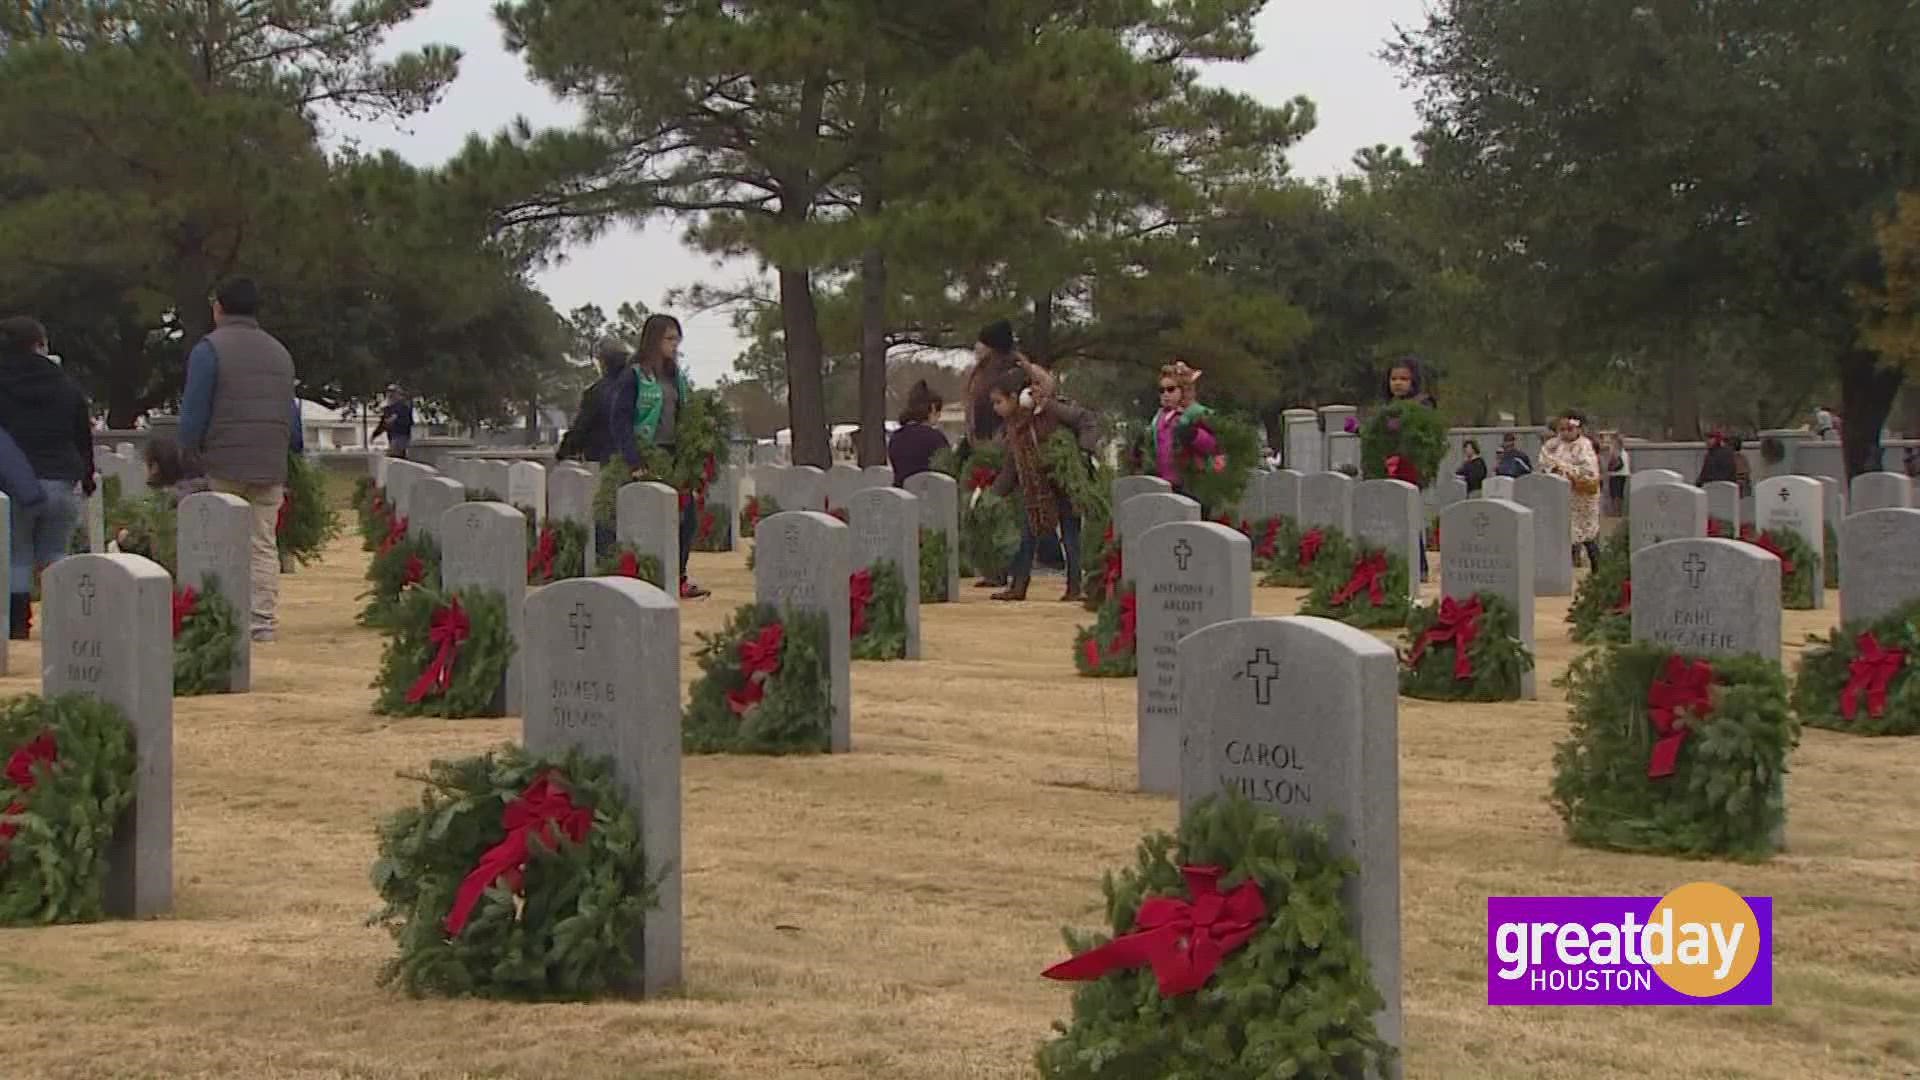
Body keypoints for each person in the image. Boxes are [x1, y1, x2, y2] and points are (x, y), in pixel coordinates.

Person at [178, 278, 302, 643]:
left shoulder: (209, 349)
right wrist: (290, 448)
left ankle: (218, 614)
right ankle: (261, 620)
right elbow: (290, 410)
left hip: (224, 458)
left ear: (219, 308)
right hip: (269, 459)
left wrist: (189, 449)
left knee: (217, 539)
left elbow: (195, 407)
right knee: (262, 542)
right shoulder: (280, 352)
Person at [0, 316, 95, 640]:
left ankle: (17, 624)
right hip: (61, 476)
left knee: (17, 555)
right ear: (40, 344)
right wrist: (87, 474)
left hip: (15, 482)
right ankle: (63, 622)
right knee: (55, 553)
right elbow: (82, 435)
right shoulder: (65, 384)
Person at [609, 313, 709, 600]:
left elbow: (684, 415)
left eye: (677, 339)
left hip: (675, 455)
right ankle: (645, 577)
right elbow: (620, 420)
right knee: (649, 519)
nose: (675, 345)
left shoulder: (675, 376)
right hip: (646, 454)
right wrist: (635, 461)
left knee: (687, 517)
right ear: (653, 340)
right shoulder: (635, 375)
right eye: (669, 339)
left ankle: (678, 576)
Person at [987, 370, 1101, 602]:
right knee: (1027, 535)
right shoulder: (1016, 424)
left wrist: (1083, 453)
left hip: (1063, 484)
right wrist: (993, 494)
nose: (995, 408)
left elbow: (1086, 420)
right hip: (1036, 489)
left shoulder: (1055, 410)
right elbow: (1012, 465)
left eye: (999, 402)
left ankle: (1074, 587)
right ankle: (1019, 585)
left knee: (1070, 535)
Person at [1541, 411, 1603, 570]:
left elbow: (1589, 472)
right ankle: (1563, 568)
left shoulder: (1585, 446)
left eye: (1569, 429)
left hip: (1582, 498)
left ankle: (1597, 567)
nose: (1565, 433)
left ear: (1578, 430)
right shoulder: (1554, 445)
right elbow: (1544, 460)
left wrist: (1566, 470)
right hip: (1561, 497)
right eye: (1561, 429)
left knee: (1586, 534)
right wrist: (1553, 469)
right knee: (1563, 534)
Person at [557, 337, 630, 464]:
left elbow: (581, 428)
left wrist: (562, 453)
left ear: (602, 362)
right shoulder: (642, 386)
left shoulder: (596, 392)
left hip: (604, 461)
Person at [888, 380, 949, 486]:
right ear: (933, 408)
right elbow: (947, 469)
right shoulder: (935, 438)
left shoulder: (895, 438)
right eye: (939, 410)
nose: (939, 416)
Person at [371, 387, 413, 459]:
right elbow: (383, 424)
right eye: (389, 393)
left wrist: (394, 420)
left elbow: (407, 422)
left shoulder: (403, 407)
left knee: (394, 456)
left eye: (393, 393)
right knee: (395, 457)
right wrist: (374, 435)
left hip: (401, 436)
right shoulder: (388, 409)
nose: (390, 395)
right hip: (392, 436)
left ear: (398, 394)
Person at [1605, 433, 1631, 515]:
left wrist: (1609, 467)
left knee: (1614, 494)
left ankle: (1615, 511)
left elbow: (1614, 461)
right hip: (1624, 473)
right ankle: (1619, 511)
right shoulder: (1624, 452)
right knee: (1619, 494)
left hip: (1616, 474)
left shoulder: (1616, 450)